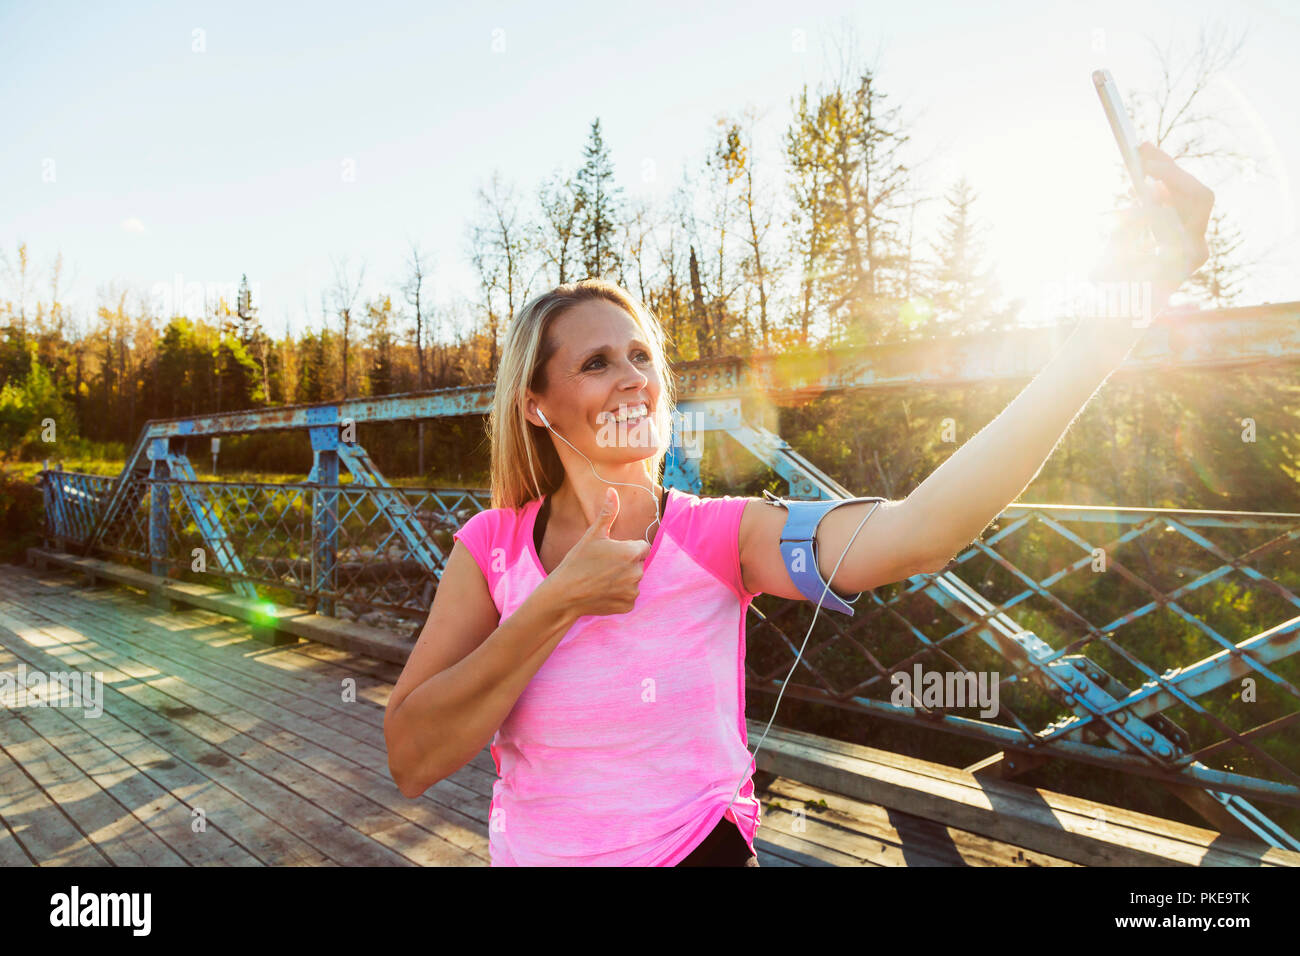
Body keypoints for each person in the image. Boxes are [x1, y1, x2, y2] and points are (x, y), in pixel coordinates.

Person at [383, 142, 1214, 866]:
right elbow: (413, 757)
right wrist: (557, 604)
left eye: (642, 354)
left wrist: (1110, 332)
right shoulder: (489, 548)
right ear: (537, 404)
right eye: (597, 363)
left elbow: (920, 534)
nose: (635, 376)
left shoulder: (722, 536)